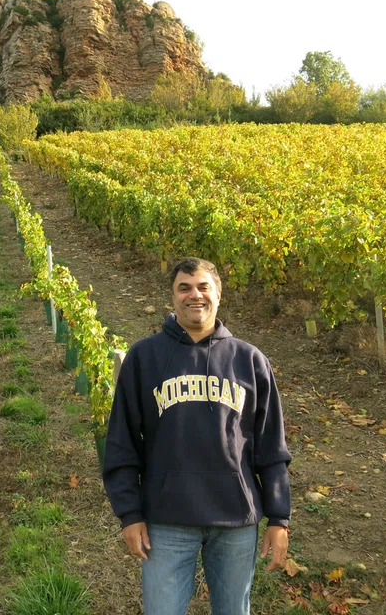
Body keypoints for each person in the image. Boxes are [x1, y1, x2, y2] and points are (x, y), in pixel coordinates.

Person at [103, 257, 291, 615]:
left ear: (218, 294)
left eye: (203, 287)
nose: (195, 295)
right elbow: (122, 442)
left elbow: (271, 446)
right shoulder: (144, 358)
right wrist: (129, 513)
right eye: (184, 288)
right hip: (166, 520)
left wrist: (279, 518)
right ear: (172, 297)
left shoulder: (250, 360)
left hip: (235, 520)